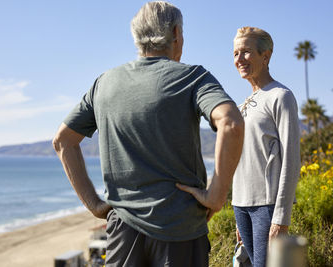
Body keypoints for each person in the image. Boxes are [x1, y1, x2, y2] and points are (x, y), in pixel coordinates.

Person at [52, 2, 244, 266]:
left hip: (122, 230)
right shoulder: (193, 77)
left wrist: (95, 205)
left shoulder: (104, 83)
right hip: (180, 229)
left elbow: (63, 141)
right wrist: (217, 195)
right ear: (176, 33)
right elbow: (231, 124)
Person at [231, 27, 300, 267]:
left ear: (266, 56)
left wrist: (281, 218)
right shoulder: (242, 105)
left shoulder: (281, 97)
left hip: (267, 207)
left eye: (246, 52)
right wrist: (237, 216)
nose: (239, 59)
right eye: (236, 53)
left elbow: (292, 161)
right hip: (241, 206)